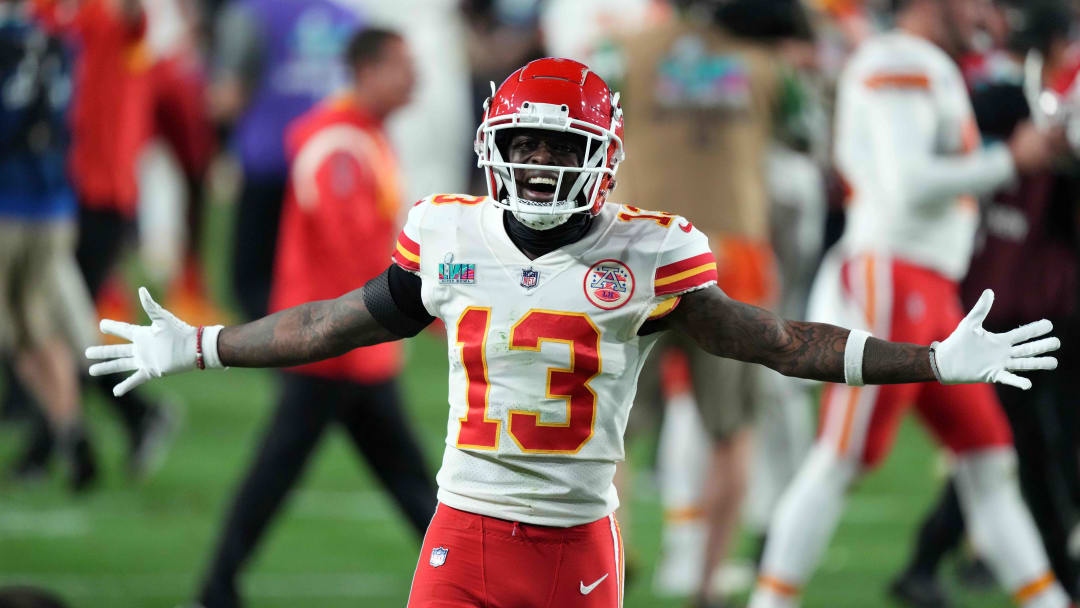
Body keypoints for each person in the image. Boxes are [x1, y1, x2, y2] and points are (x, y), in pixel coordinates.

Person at [88, 57, 1060, 608]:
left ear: (602, 154)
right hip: (460, 533)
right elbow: (331, 320)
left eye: (562, 145)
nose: (542, 162)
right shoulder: (449, 230)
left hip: (575, 545)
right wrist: (202, 344)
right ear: (493, 148)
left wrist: (929, 359)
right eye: (526, 143)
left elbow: (780, 340)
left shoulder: (647, 252)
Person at [748, 1, 1073, 607]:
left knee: (989, 458)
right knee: (842, 456)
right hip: (894, 277)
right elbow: (907, 182)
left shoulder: (924, 62)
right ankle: (770, 601)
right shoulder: (900, 60)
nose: (985, 10)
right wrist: (1011, 158)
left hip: (929, 286)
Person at [194, 27, 437, 608]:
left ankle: (216, 589)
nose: (415, 77)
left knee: (408, 484)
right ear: (367, 70)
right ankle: (214, 590)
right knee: (288, 476)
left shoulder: (361, 136)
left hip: (359, 350)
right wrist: (430, 302)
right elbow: (352, 251)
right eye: (403, 65)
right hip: (332, 349)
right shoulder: (338, 145)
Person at [891, 1, 1080, 604]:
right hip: (1017, 300)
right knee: (1028, 448)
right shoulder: (999, 102)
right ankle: (1049, 575)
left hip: (1010, 296)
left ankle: (940, 560)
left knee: (1006, 446)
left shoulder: (1003, 99)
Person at [208, 0, 362, 321]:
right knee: (320, 267)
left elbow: (228, 95)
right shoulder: (351, 19)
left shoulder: (252, 13)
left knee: (254, 278)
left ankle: (272, 343)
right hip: (332, 167)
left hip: (268, 159)